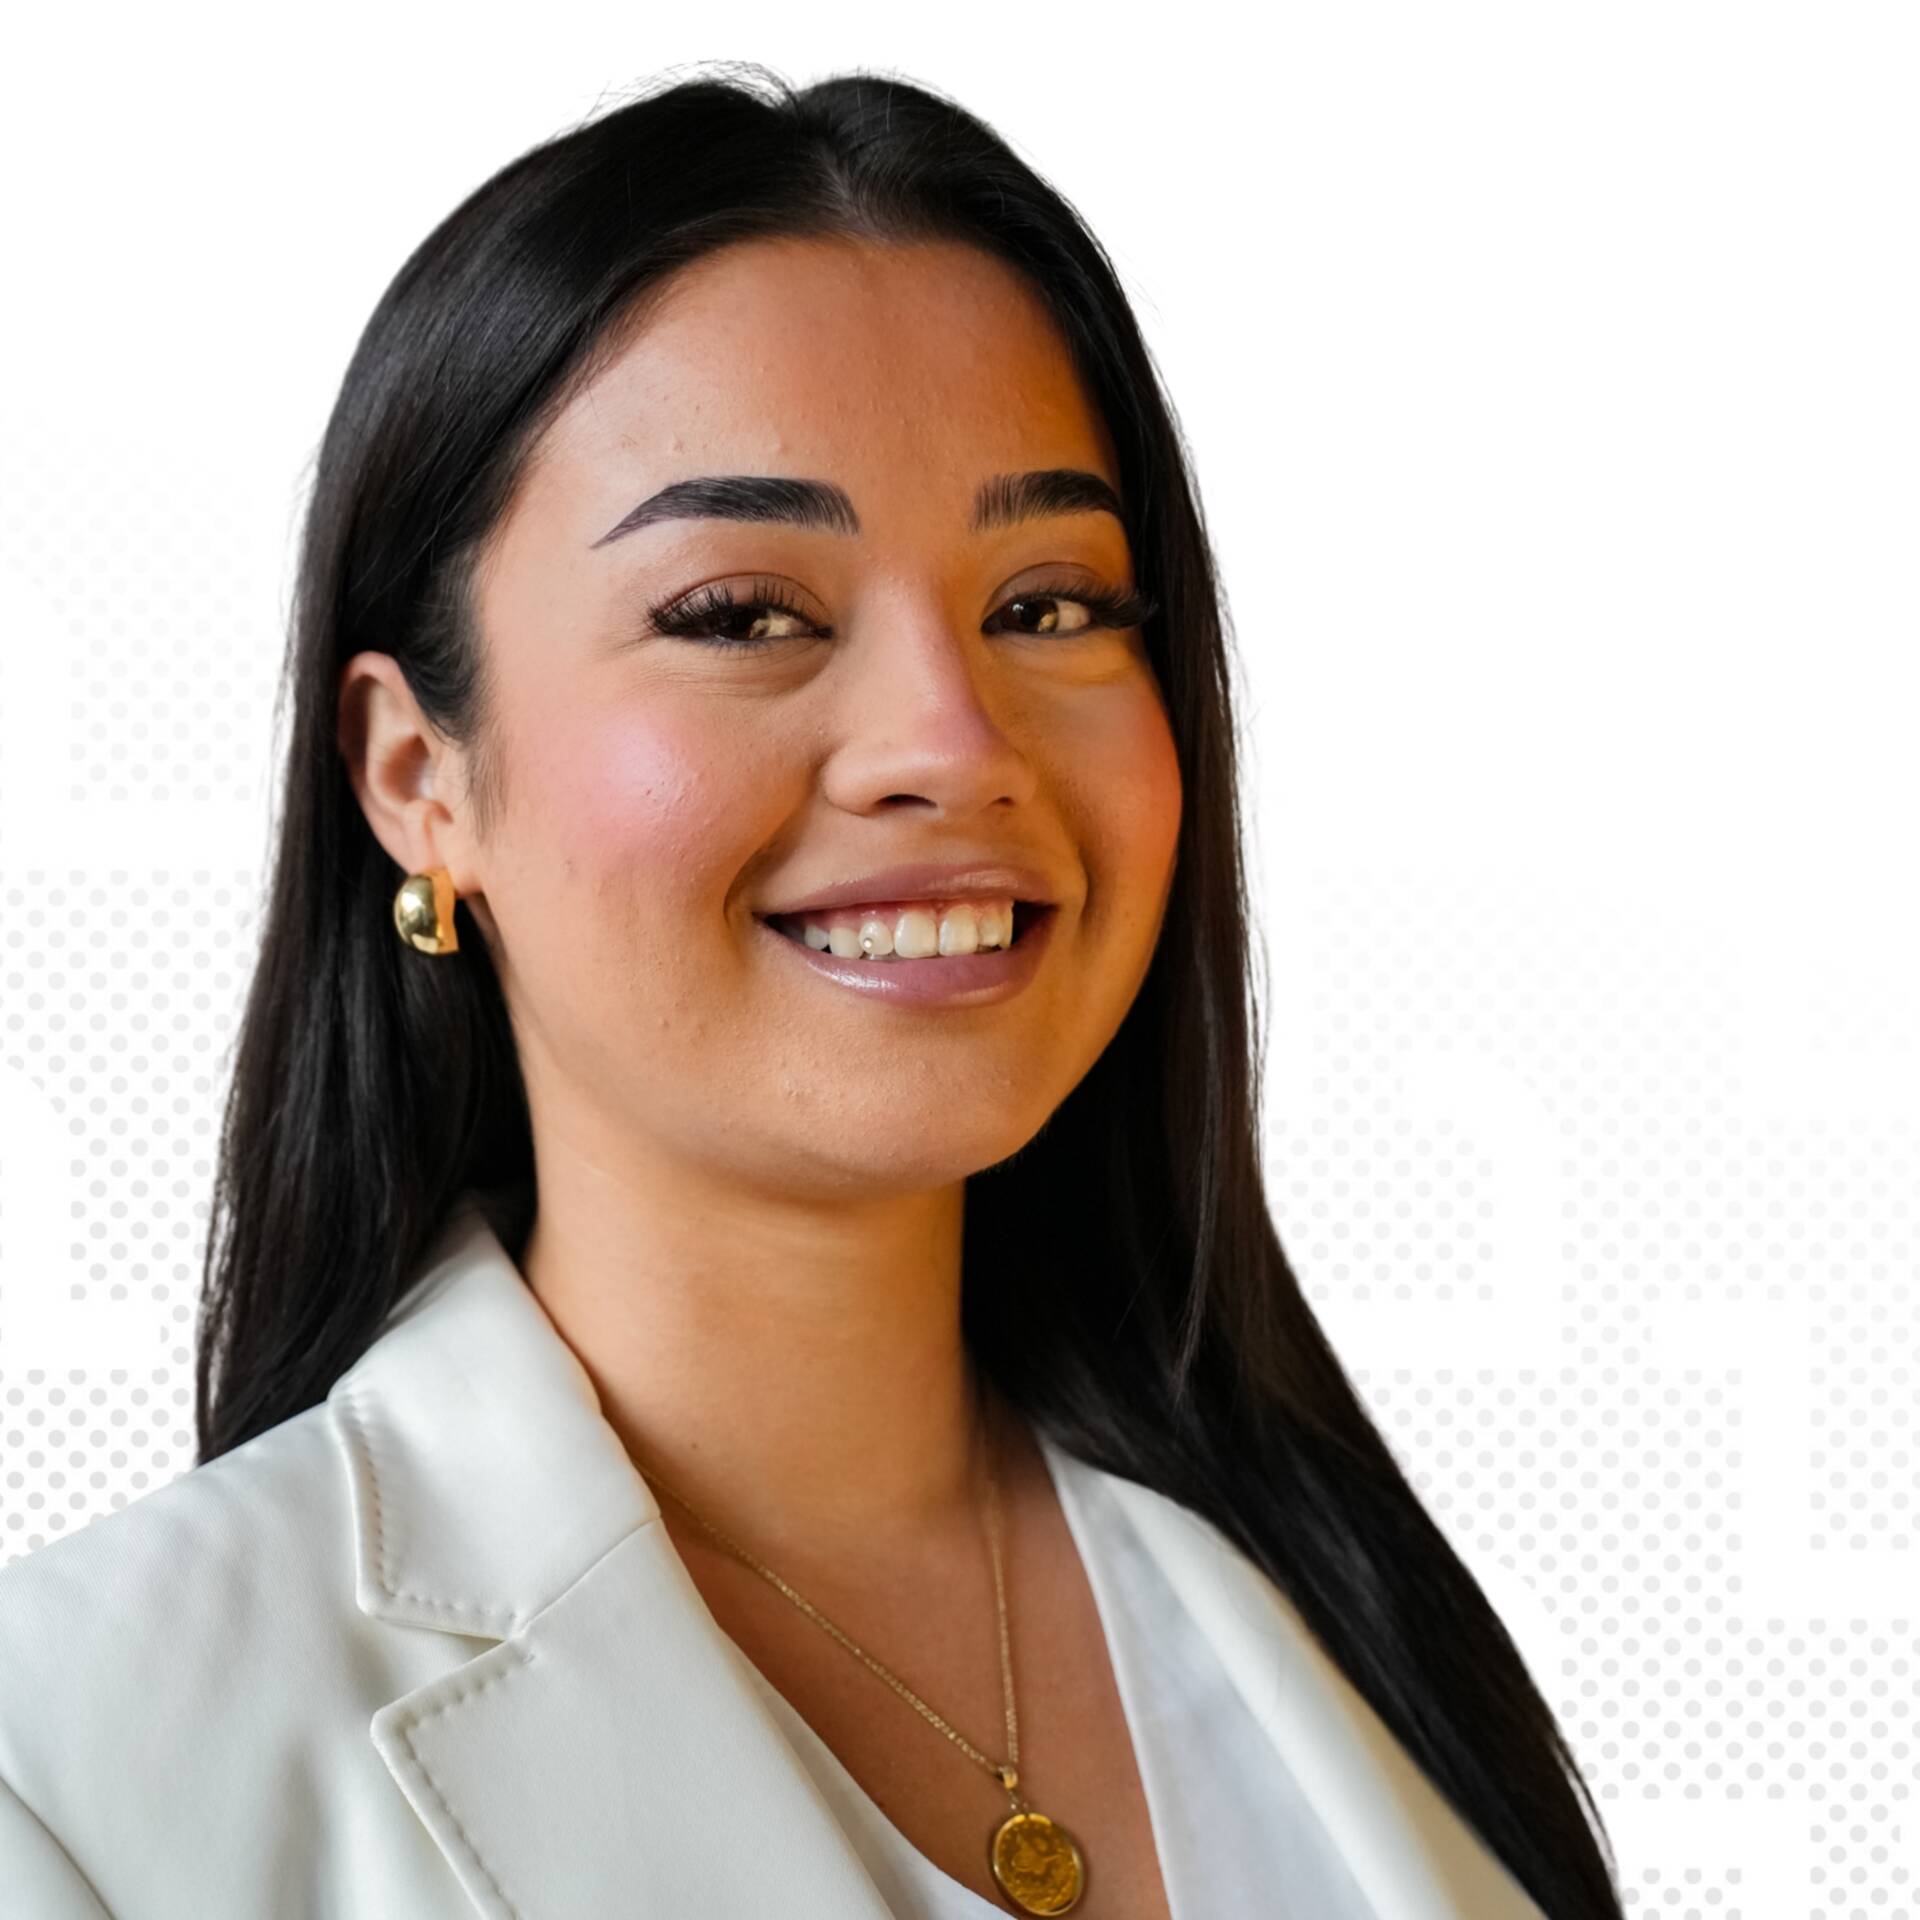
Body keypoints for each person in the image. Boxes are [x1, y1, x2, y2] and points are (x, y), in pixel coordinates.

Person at [0, 61, 1622, 1920]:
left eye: (1051, 607)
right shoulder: (73, 1765)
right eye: (744, 615)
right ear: (415, 777)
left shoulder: (1342, 1608)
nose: (950, 740)